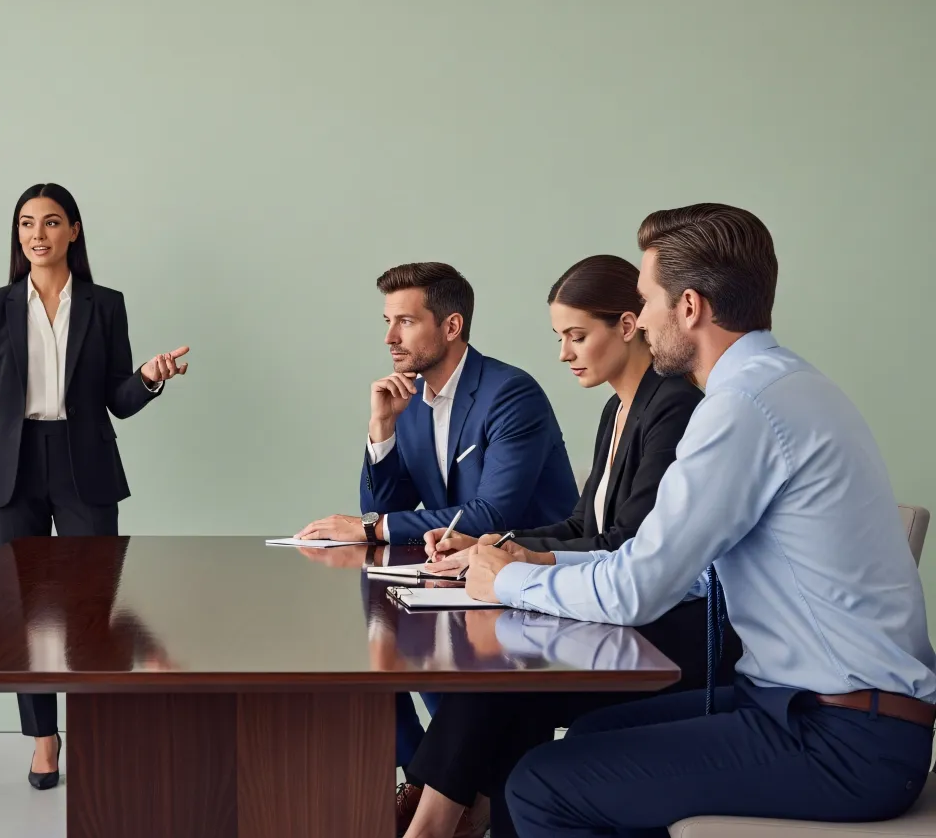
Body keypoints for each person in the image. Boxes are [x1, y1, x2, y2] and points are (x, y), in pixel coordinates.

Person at [457, 203, 936, 838]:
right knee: (596, 734)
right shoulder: (783, 383)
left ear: (689, 307)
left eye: (647, 298)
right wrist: (533, 563)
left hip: (841, 739)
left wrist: (507, 583)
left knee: (542, 784)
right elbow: (686, 575)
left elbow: (638, 588)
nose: (642, 319)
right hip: (816, 710)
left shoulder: (743, 406)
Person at [396, 254, 729, 838]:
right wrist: (488, 544)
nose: (564, 353)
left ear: (627, 326)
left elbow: (629, 542)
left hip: (682, 630)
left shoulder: (673, 405)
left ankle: (432, 825)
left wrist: (522, 560)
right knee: (501, 686)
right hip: (626, 614)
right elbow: (581, 526)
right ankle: (459, 818)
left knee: (502, 681)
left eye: (577, 336)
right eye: (560, 338)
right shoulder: (617, 407)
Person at [0, 182, 191, 790]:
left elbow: (118, 400)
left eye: (51, 222)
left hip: (86, 465)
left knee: (93, 609)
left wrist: (150, 378)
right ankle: (43, 739)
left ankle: (96, 727)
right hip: (13, 467)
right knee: (18, 613)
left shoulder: (106, 304)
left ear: (74, 231)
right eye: (26, 224)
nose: (37, 234)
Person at [294, 261, 580, 778]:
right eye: (387, 321)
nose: (389, 338)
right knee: (377, 664)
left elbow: (493, 513)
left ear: (451, 327)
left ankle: (440, 795)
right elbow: (385, 505)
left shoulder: (511, 394)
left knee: (408, 658)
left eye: (404, 322)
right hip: (454, 580)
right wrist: (382, 428)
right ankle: (441, 791)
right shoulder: (415, 401)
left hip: (527, 591)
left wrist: (370, 529)